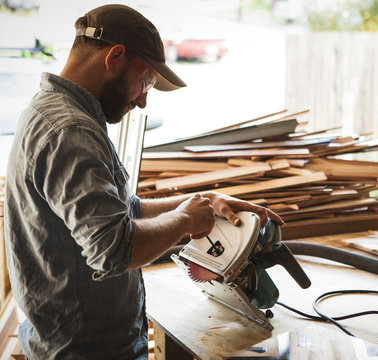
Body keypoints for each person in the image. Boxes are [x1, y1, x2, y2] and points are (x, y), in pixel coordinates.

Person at [4, 4, 283, 359]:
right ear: (115, 57)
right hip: (89, 352)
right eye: (146, 81)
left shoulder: (54, 112)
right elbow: (115, 250)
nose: (142, 99)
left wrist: (205, 202)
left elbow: (121, 213)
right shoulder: (71, 131)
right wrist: (184, 221)